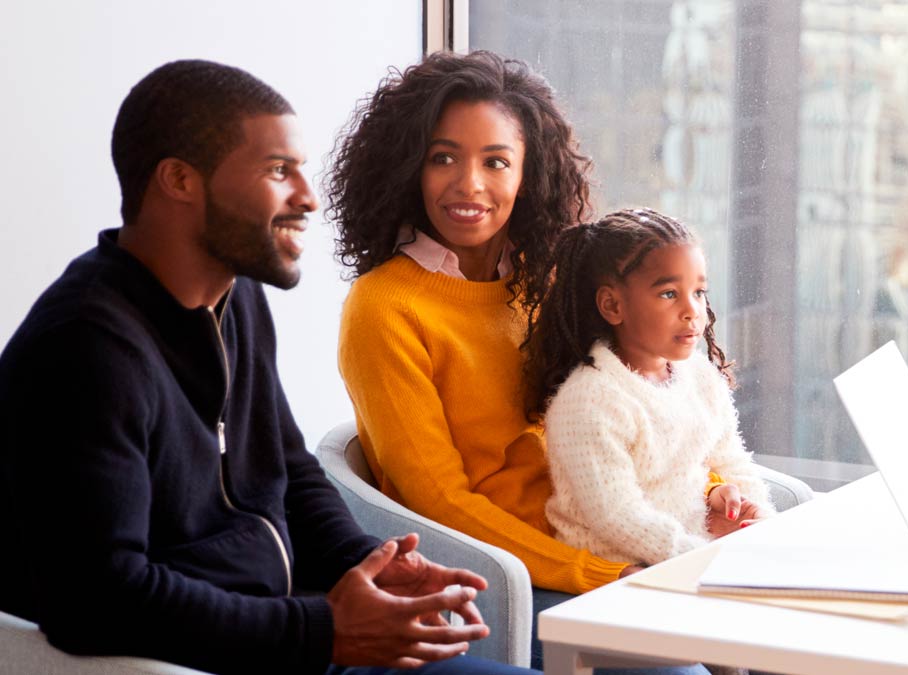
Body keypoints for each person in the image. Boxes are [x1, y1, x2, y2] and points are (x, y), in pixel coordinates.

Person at [0, 60, 526, 675]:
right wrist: (323, 631)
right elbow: (98, 598)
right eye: (279, 172)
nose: (307, 197)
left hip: (283, 640)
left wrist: (370, 564)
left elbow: (289, 472)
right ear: (179, 180)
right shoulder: (85, 348)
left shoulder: (234, 296)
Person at [327, 51, 711, 674]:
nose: (468, 185)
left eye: (496, 162)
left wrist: (713, 497)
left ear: (529, 174)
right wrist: (596, 572)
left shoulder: (548, 278)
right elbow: (440, 502)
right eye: (442, 157)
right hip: (515, 578)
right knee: (683, 667)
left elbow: (637, 408)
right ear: (408, 169)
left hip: (612, 528)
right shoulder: (384, 309)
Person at [522, 209, 771, 568]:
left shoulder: (699, 376)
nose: (692, 310)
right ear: (612, 305)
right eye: (669, 294)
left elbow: (732, 461)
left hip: (688, 558)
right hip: (623, 575)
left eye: (699, 292)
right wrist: (703, 559)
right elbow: (617, 516)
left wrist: (758, 521)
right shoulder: (589, 402)